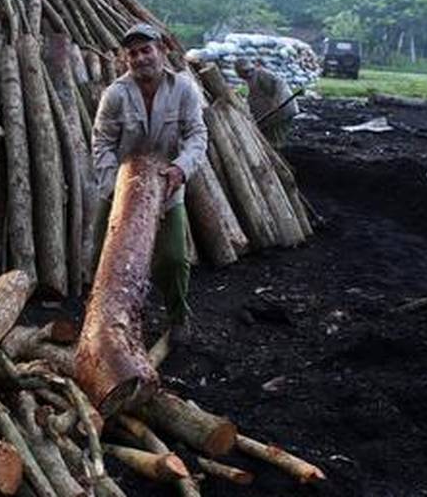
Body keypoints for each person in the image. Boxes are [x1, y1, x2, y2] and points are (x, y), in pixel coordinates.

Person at [91, 22, 208, 343]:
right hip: (120, 188)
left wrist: (181, 169)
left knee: (173, 258)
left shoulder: (183, 88)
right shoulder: (115, 94)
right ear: (126, 59)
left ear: (162, 51)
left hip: (166, 186)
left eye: (146, 50)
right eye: (133, 53)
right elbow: (102, 143)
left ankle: (178, 317)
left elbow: (197, 135)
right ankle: (102, 321)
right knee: (101, 255)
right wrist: (115, 189)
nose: (140, 58)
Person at [234, 59, 297, 148]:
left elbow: (280, 84)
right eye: (244, 72)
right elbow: (254, 97)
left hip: (283, 110)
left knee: (277, 137)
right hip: (271, 115)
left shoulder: (262, 74)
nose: (247, 74)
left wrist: (278, 101)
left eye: (248, 71)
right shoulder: (251, 81)